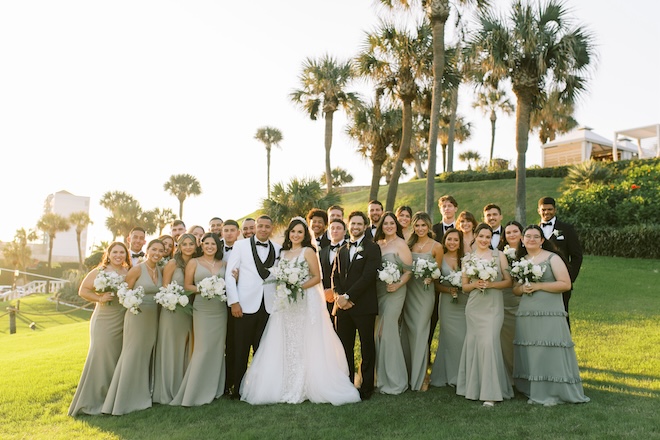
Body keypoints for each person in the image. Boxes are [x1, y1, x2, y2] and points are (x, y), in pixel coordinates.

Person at [240, 217, 361, 405]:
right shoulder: (283, 252)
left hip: (304, 301)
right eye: (293, 231)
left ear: (305, 236)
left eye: (300, 232)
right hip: (286, 304)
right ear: (288, 233)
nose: (295, 235)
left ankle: (306, 382)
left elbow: (317, 277)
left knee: (305, 339)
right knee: (287, 340)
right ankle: (286, 382)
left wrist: (298, 285)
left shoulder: (308, 251)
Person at [512, 225, 589, 406]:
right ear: (522, 239)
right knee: (532, 350)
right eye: (528, 236)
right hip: (527, 311)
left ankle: (554, 391)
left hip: (549, 310)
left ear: (542, 240)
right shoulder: (520, 260)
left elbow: (565, 284)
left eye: (535, 236)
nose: (531, 239)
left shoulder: (552, 258)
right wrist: (523, 288)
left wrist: (539, 286)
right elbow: (515, 289)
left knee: (548, 349)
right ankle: (534, 389)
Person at [102, 239, 164, 415]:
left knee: (145, 354)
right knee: (132, 353)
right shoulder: (136, 269)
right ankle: (121, 400)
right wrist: (133, 302)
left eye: (160, 250)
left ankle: (140, 396)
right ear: (147, 250)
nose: (157, 253)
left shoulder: (160, 270)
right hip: (137, 315)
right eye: (154, 249)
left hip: (153, 318)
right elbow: (124, 293)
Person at [68, 242, 131, 416]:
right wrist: (99, 297)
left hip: (123, 318)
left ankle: (112, 399)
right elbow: (83, 290)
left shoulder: (128, 272)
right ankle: (93, 400)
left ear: (126, 255)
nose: (118, 255)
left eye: (122, 252)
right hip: (104, 319)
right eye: (115, 252)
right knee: (101, 357)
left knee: (117, 358)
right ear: (108, 254)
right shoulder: (99, 271)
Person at [456, 223, 513, 407]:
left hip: (493, 306)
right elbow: (464, 286)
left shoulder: (499, 256)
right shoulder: (467, 258)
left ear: (492, 239)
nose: (484, 240)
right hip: (474, 307)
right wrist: (475, 285)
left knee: (489, 343)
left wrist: (491, 285)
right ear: (475, 236)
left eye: (488, 237)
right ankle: (472, 389)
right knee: (474, 344)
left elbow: (508, 282)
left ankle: (492, 393)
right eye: (481, 236)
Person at [226, 215, 281, 398]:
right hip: (244, 305)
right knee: (240, 349)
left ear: (272, 229)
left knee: (262, 350)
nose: (264, 229)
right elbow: (229, 274)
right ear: (255, 227)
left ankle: (258, 389)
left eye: (267, 226)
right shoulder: (240, 246)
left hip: (268, 307)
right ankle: (237, 388)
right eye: (261, 226)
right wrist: (234, 302)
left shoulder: (278, 249)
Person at [170, 233, 227, 406]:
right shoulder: (194, 262)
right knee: (202, 348)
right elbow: (187, 285)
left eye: (213, 244)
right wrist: (203, 289)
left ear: (218, 246)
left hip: (220, 309)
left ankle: (214, 388)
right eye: (207, 243)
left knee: (217, 348)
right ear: (201, 245)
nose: (210, 246)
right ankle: (194, 391)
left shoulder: (223, 263)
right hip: (202, 308)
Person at [332, 211, 381, 400]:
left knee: (366, 347)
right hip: (342, 308)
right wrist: (338, 297)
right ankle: (347, 383)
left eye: (359, 224)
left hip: (363, 306)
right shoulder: (342, 249)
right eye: (352, 223)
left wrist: (349, 296)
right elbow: (334, 276)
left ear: (365, 226)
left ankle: (366, 387)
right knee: (345, 347)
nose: (355, 227)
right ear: (348, 225)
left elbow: (368, 277)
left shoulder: (372, 248)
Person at [152, 234, 195, 405]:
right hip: (172, 311)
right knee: (170, 347)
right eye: (184, 244)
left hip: (190, 310)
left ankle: (182, 387)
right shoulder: (172, 263)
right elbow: (164, 287)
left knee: (186, 347)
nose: (188, 247)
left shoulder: (196, 262)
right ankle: (167, 390)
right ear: (179, 246)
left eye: (191, 243)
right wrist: (173, 300)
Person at [402, 212, 443, 391]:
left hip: (425, 294)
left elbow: (438, 272)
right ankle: (408, 374)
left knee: (420, 331)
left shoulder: (436, 246)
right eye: (417, 226)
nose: (420, 229)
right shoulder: (408, 245)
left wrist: (431, 278)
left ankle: (420, 378)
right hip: (409, 292)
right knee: (407, 331)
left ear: (429, 226)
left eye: (423, 226)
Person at [373, 211, 412, 395]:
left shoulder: (401, 244)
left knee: (387, 331)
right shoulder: (378, 244)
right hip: (380, 291)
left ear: (396, 225)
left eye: (392, 223)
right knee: (378, 334)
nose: (389, 226)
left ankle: (396, 380)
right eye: (385, 223)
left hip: (395, 291)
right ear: (381, 226)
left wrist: (397, 285)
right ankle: (382, 378)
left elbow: (408, 271)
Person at [538, 196, 583, 330]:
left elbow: (577, 256)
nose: (547, 212)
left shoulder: (566, 229)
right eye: (544, 210)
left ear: (555, 210)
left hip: (561, 281)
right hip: (539, 281)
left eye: (550, 209)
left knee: (562, 316)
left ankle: (564, 347)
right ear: (538, 211)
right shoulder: (534, 230)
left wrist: (569, 278)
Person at [429, 228, 467, 388]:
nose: (452, 243)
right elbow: (435, 283)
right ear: (444, 241)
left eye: (455, 240)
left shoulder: (466, 259)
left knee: (463, 337)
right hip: (446, 302)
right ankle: (448, 374)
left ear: (460, 243)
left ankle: (463, 374)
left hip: (464, 302)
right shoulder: (440, 258)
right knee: (449, 338)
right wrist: (448, 290)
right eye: (449, 239)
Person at [497, 220, 524, 382]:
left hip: (524, 299)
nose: (512, 235)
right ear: (504, 236)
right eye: (508, 233)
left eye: (515, 232)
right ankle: (508, 375)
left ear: (521, 233)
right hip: (505, 298)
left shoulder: (528, 252)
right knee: (506, 338)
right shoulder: (500, 254)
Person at [220, 219, 240, 395]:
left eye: (232, 230)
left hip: (237, 302)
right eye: (225, 230)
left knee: (233, 343)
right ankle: (221, 382)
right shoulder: (214, 248)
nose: (228, 233)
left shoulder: (243, 248)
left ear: (238, 232)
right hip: (215, 304)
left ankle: (232, 381)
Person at [319, 218, 347, 318]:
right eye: (332, 228)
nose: (335, 231)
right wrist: (324, 292)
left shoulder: (350, 249)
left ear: (344, 232)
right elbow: (318, 274)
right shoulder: (322, 252)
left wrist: (334, 291)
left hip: (343, 298)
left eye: (338, 228)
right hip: (324, 298)